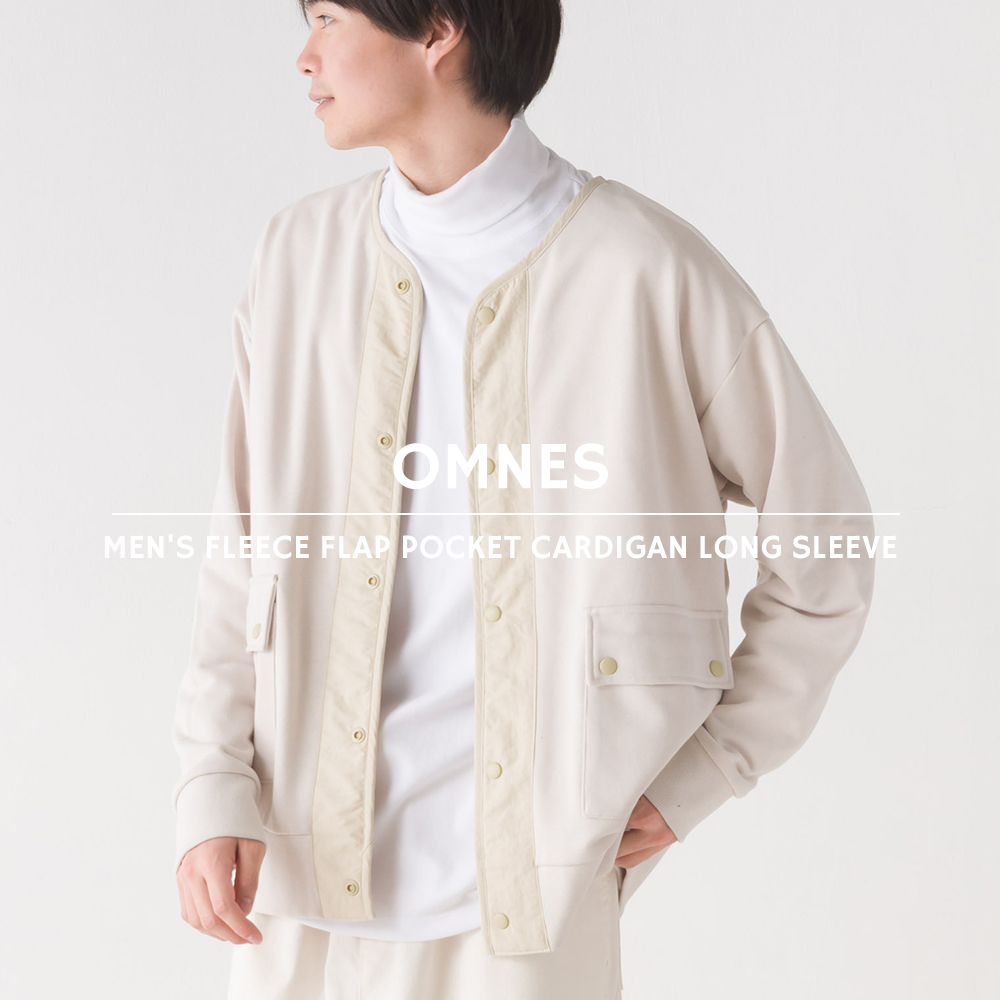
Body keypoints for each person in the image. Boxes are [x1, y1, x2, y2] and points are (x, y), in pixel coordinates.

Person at [171, 2, 877, 998]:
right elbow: (240, 555)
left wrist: (716, 762)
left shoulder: (645, 271)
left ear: (438, 30)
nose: (305, 54)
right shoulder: (295, 260)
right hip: (296, 893)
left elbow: (828, 542)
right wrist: (212, 784)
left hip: (526, 900)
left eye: (328, 16)